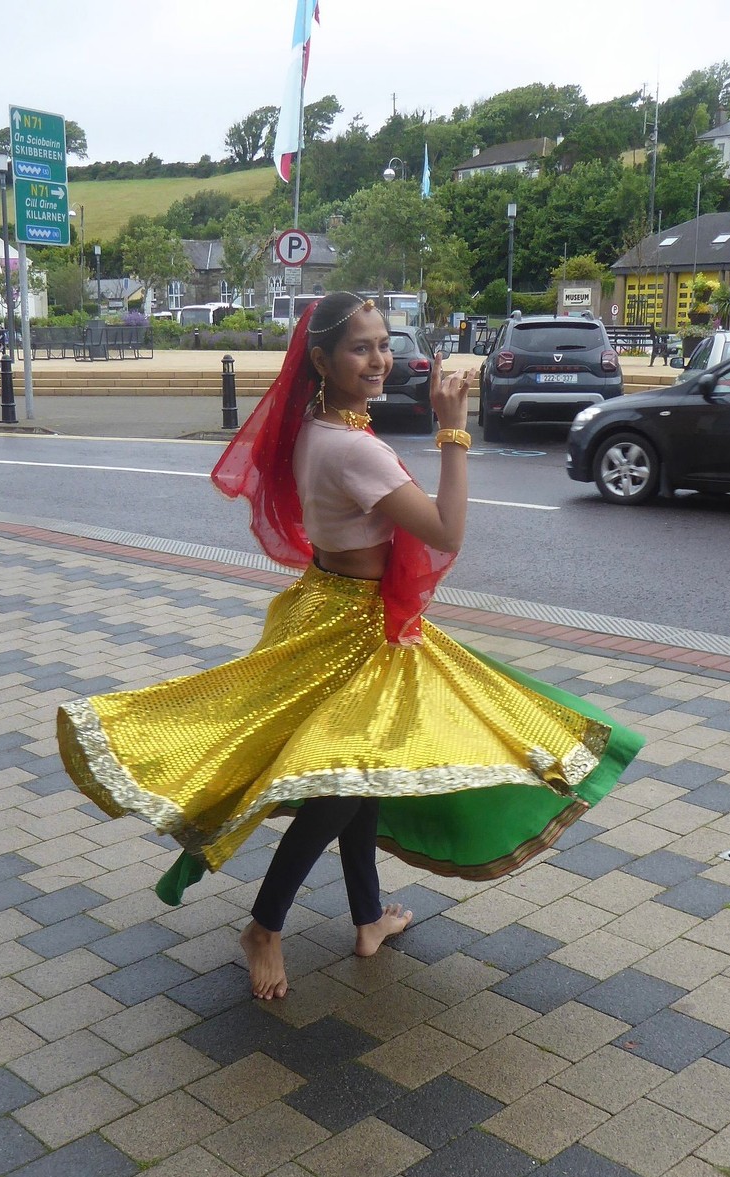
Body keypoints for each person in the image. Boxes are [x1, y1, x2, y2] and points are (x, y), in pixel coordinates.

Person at [58, 292, 643, 1001]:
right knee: (338, 788)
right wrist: (454, 432)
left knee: (359, 773)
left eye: (384, 342)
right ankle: (264, 927)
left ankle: (368, 917)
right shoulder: (353, 448)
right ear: (323, 360)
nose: (379, 359)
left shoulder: (316, 427)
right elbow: (445, 532)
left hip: (329, 607)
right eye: (360, 347)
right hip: (357, 632)